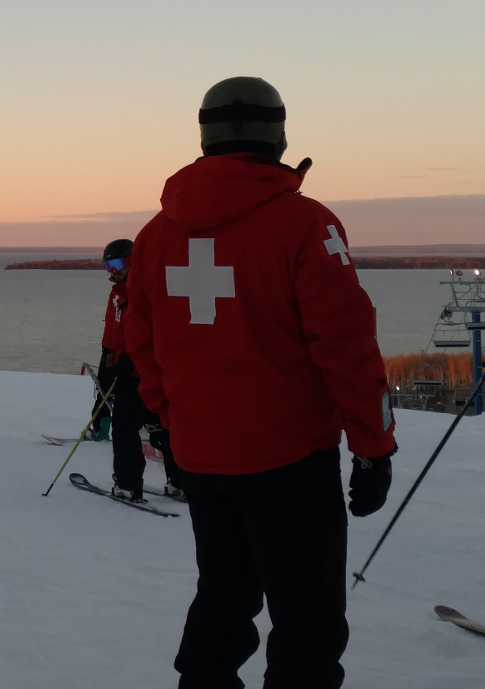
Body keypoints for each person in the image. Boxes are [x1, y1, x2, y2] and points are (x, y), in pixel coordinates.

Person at [124, 77, 396, 688]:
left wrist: (172, 421)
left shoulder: (156, 235)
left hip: (202, 457)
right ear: (278, 137)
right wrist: (374, 447)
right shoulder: (304, 223)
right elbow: (348, 348)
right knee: (307, 622)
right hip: (290, 461)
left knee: (223, 597)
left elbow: (144, 346)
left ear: (204, 136)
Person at [95, 239, 182, 503]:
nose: (113, 271)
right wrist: (106, 360)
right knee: (157, 428)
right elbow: (113, 332)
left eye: (117, 263)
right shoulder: (117, 293)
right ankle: (178, 483)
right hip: (124, 371)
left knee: (131, 428)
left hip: (145, 372)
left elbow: (160, 331)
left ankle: (130, 485)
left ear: (132, 261)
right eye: (108, 265)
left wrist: (133, 361)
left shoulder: (146, 291)